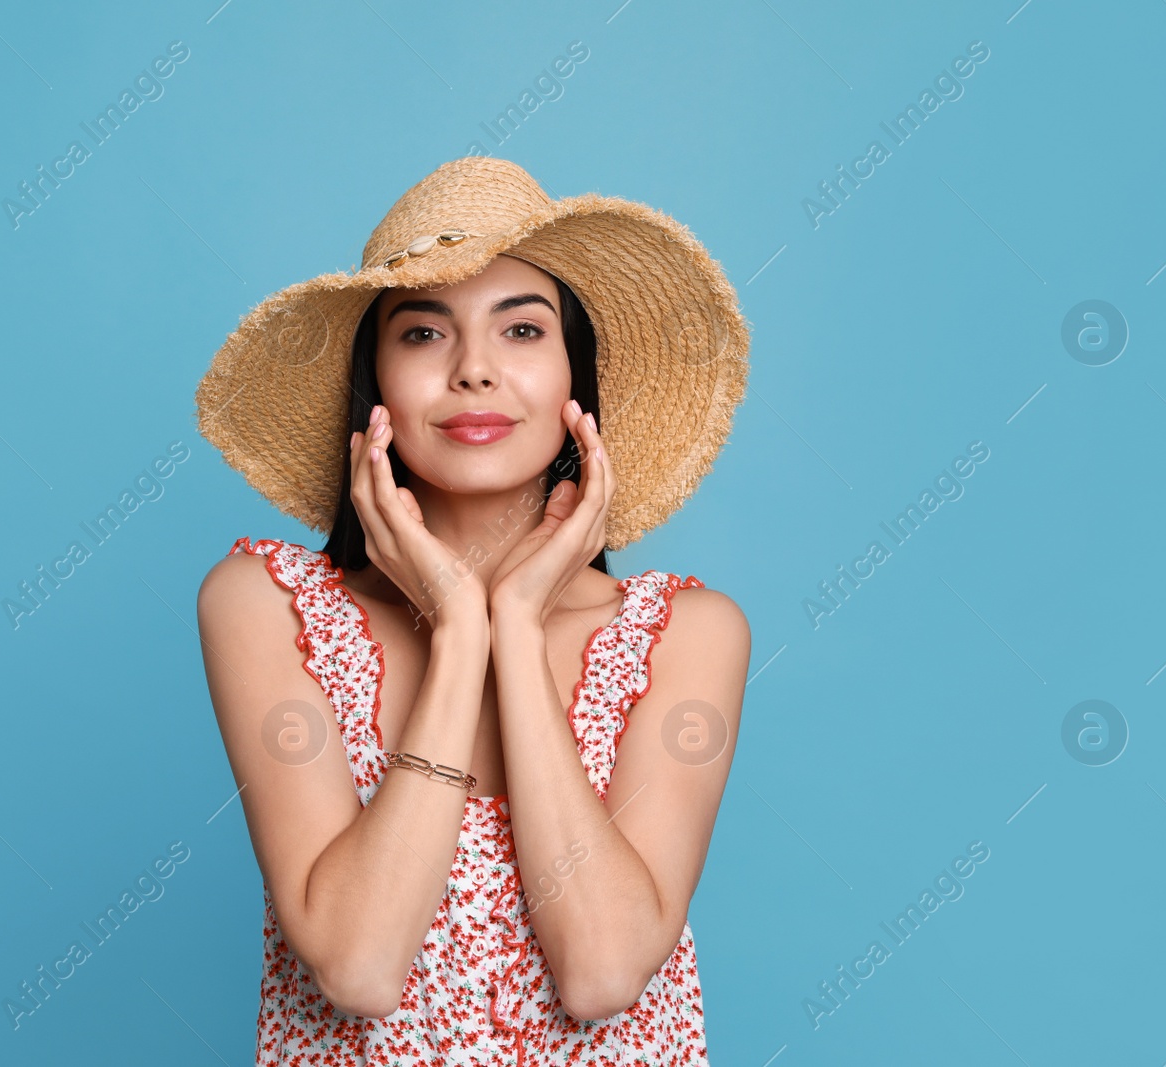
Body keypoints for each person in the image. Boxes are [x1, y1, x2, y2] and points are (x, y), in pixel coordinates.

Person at [193, 156, 752, 1065]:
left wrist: (518, 631)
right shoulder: (266, 605)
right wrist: (460, 630)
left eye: (522, 329)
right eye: (422, 333)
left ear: (579, 380)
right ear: (374, 385)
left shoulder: (688, 635)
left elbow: (604, 973)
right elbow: (358, 967)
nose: (474, 372)